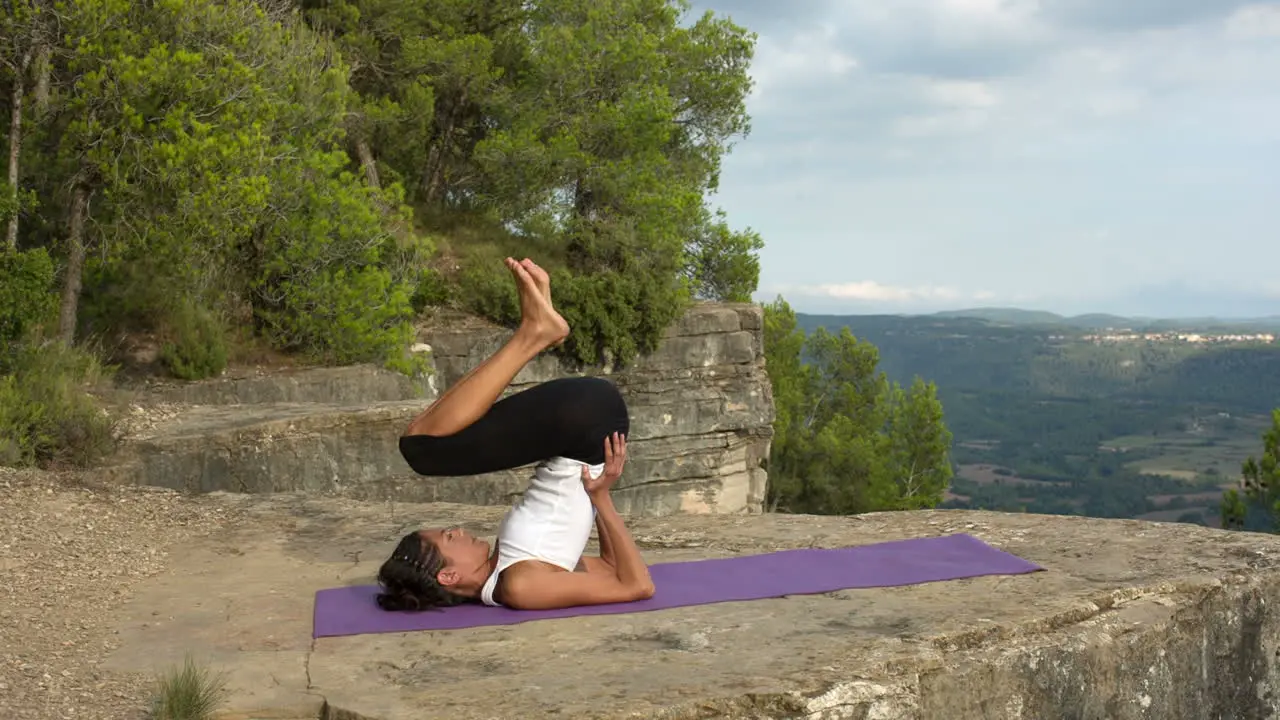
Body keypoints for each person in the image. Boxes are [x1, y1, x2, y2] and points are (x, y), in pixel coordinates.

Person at [375, 257, 656, 612]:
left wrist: (601, 486)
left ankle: (535, 330)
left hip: (582, 432)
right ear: (448, 576)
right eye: (449, 537)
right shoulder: (521, 587)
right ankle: (533, 332)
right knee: (419, 448)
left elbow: (610, 569)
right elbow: (636, 584)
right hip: (582, 423)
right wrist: (601, 497)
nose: (458, 529)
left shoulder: (509, 568)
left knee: (424, 443)